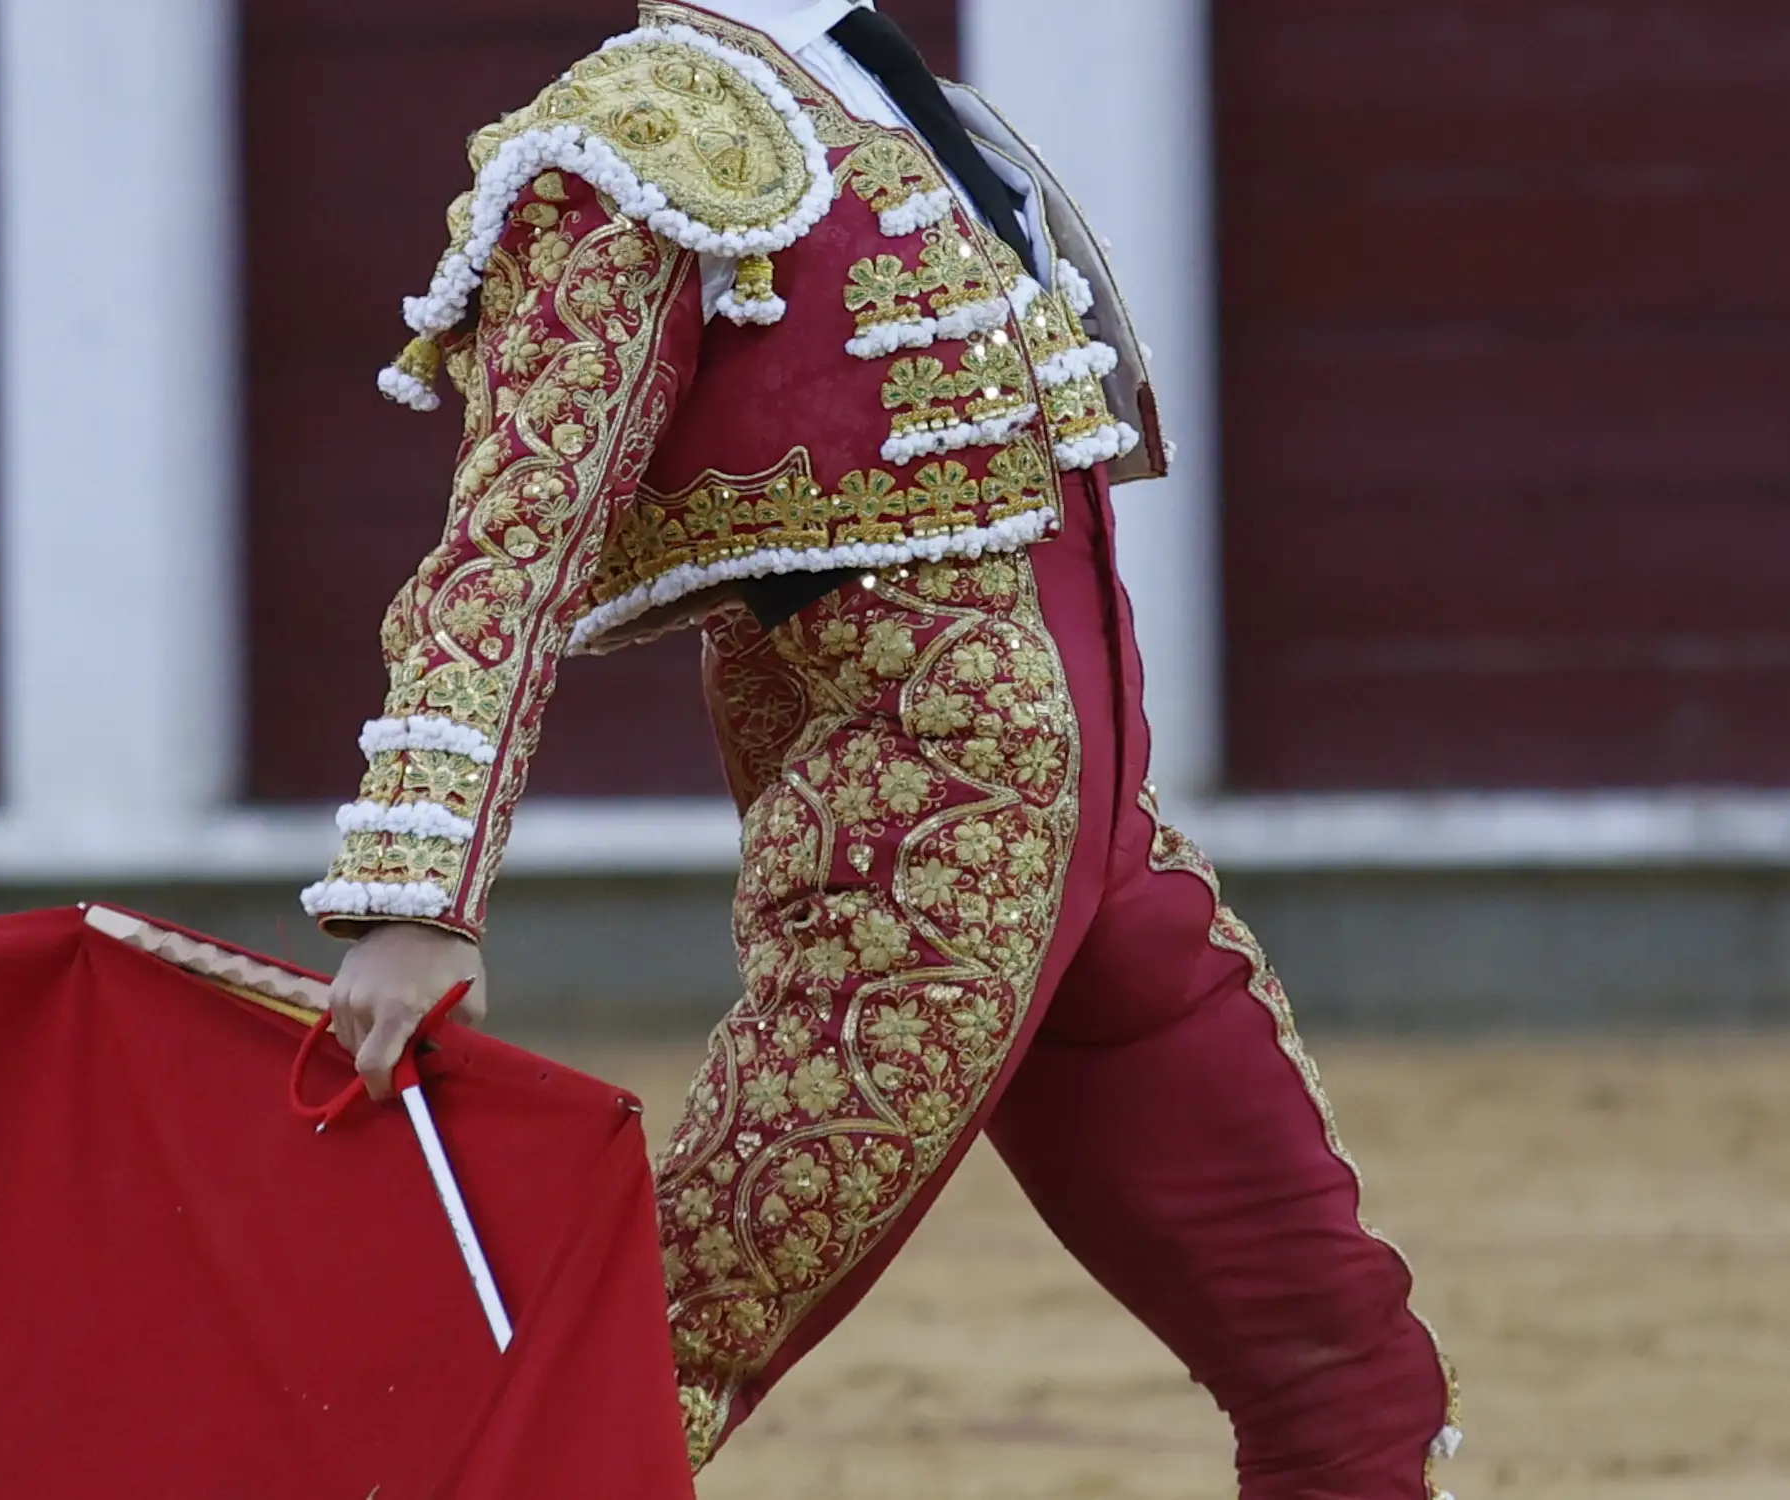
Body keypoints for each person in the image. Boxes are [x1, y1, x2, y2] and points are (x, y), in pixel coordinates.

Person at [303, 1, 1462, 1493]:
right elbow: (506, 551)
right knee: (645, 1348)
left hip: (1104, 854)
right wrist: (415, 895)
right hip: (913, 859)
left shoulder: (883, 90)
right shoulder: (629, 139)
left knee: (1338, 1354)